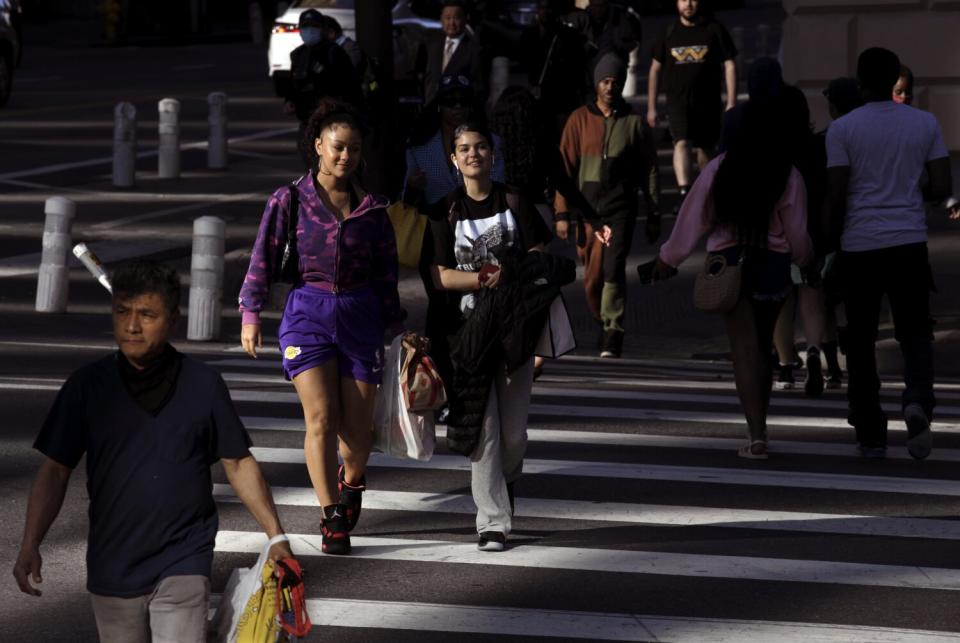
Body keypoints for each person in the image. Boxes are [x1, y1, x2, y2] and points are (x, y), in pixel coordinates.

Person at [12, 261, 296, 642]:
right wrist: (30, 543)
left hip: (184, 556)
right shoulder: (87, 388)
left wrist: (276, 537)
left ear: (172, 320)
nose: (131, 326)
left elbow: (238, 461)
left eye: (147, 314)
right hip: (112, 565)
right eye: (122, 312)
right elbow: (55, 470)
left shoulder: (203, 385)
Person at [239, 100, 402, 553]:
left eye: (352, 149)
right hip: (306, 316)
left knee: (358, 436)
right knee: (321, 419)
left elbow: (387, 275)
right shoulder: (289, 199)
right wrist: (251, 314)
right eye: (337, 147)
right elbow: (262, 258)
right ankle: (331, 515)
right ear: (317, 146)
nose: (344, 156)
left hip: (360, 317)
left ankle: (351, 482)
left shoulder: (373, 210)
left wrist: (398, 328)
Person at [651, 98, 813, 459]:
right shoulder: (787, 172)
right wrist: (803, 259)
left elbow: (693, 218)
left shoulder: (719, 168)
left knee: (744, 350)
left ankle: (757, 435)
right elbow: (798, 232)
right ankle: (762, 425)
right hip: (772, 265)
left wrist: (668, 258)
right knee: (763, 347)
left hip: (730, 265)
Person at [429, 122, 555, 552]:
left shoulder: (514, 200)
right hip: (469, 338)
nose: (473, 154)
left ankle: (508, 479)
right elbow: (440, 276)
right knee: (484, 432)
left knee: (514, 435)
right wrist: (483, 279)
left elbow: (540, 259)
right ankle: (492, 523)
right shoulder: (445, 211)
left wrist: (540, 340)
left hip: (516, 332)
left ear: (492, 153)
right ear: (453, 159)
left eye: (480, 146)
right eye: (463, 148)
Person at [825, 47, 953, 460]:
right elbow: (939, 186)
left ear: (860, 83)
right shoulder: (924, 123)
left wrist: (824, 245)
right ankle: (917, 401)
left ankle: (870, 428)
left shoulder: (843, 129)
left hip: (860, 246)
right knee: (915, 332)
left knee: (860, 340)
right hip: (908, 243)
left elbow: (837, 194)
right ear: (894, 78)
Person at [554, 52, 661, 359]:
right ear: (596, 84)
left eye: (616, 81)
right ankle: (601, 320)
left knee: (614, 269)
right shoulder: (579, 120)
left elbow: (650, 169)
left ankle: (613, 330)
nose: (610, 87)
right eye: (605, 81)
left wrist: (654, 212)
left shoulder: (634, 123)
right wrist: (561, 212)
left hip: (620, 210)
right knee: (593, 277)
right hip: (587, 213)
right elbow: (564, 169)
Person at [404, 76, 506, 394]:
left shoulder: (489, 143)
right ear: (439, 106)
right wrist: (414, 188)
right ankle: (443, 384)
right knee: (440, 306)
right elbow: (406, 198)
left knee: (479, 306)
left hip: (478, 232)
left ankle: (476, 377)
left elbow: (498, 184)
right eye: (450, 102)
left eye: (463, 102)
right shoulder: (421, 146)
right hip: (435, 235)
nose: (457, 109)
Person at [648, 0, 738, 211]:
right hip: (677, 102)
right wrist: (651, 107)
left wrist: (731, 101)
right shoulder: (668, 32)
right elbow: (655, 70)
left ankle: (707, 192)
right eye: (682, 0)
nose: (688, 4)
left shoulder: (714, 29)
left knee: (706, 149)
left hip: (709, 102)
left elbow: (730, 64)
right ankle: (685, 194)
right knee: (681, 143)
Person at [420, 0, 486, 105]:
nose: (451, 23)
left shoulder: (474, 50)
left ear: (465, 19)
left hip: (457, 112)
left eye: (456, 18)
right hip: (431, 111)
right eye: (447, 18)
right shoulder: (431, 45)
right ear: (441, 20)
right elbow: (426, 78)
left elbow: (478, 88)